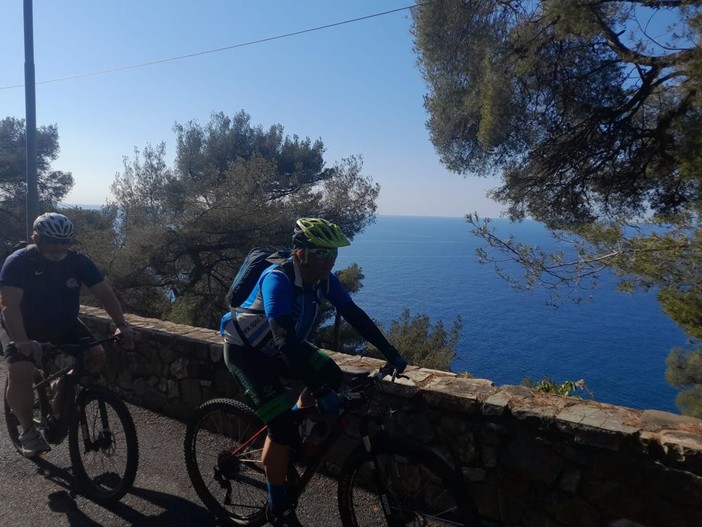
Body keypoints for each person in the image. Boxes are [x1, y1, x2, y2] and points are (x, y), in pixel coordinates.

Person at [220, 217, 407, 527]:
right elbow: (283, 340)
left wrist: (391, 352)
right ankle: (278, 506)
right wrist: (318, 392)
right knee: (282, 428)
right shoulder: (276, 279)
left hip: (285, 348)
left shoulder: (326, 280)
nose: (329, 261)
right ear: (300, 253)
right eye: (322, 253)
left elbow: (354, 315)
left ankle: (293, 432)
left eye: (333, 254)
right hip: (247, 353)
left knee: (334, 377)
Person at [0, 212, 135, 458]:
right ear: (36, 238)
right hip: (20, 325)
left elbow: (104, 293)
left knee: (96, 355)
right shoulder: (18, 262)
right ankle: (28, 431)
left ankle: (61, 393)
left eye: (65, 242)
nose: (59, 247)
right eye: (52, 241)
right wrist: (21, 341)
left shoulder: (78, 262)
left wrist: (122, 324)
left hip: (63, 323)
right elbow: (10, 306)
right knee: (21, 371)